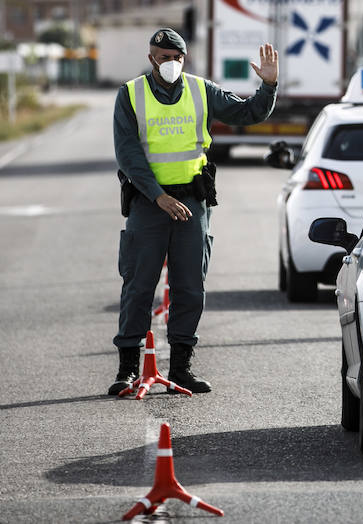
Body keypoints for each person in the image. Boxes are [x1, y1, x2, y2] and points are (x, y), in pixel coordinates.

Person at [109, 28, 279, 396]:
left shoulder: (203, 90)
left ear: (184, 59)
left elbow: (248, 113)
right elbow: (128, 155)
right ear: (150, 57)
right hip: (148, 204)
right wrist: (158, 197)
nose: (169, 63)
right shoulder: (131, 95)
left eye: (176, 58)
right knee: (138, 286)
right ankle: (127, 370)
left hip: (193, 204)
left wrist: (268, 86)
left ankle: (182, 368)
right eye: (162, 56)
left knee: (189, 286)